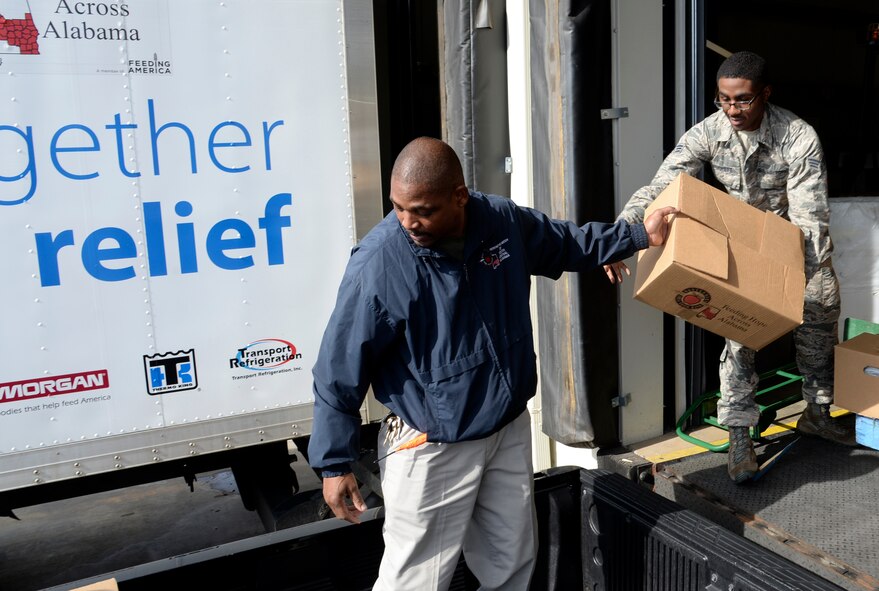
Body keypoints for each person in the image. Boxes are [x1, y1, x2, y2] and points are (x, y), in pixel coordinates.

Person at [308, 136, 676, 590]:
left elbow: (565, 242)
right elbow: (337, 367)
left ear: (459, 196)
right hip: (434, 444)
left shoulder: (500, 221)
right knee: (415, 581)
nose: (409, 222)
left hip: (505, 428)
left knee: (511, 564)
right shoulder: (380, 265)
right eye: (399, 208)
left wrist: (639, 234)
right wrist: (333, 464)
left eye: (422, 210)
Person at [604, 51, 855, 484]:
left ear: (765, 95)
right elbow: (663, 184)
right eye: (724, 100)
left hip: (794, 240)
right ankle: (740, 434)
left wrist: (797, 281)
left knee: (819, 310)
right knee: (740, 330)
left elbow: (809, 219)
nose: (732, 110)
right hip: (740, 244)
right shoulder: (711, 131)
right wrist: (621, 237)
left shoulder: (797, 136)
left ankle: (817, 411)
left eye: (743, 100)